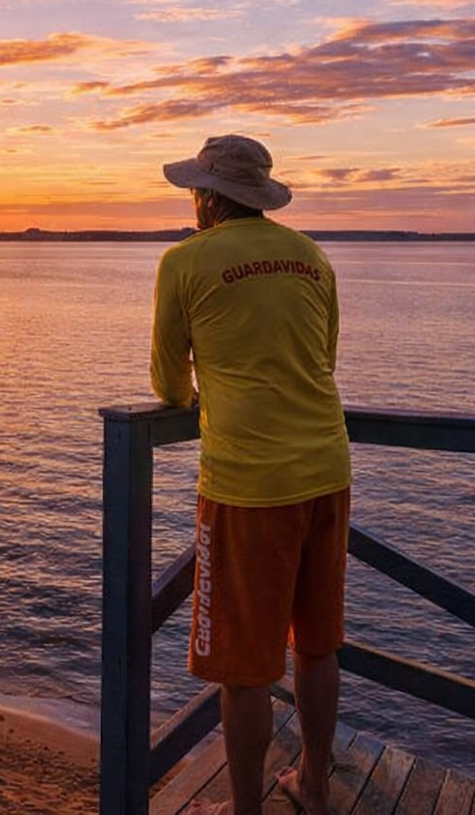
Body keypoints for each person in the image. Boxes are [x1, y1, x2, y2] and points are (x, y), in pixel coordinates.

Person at [150, 135, 351, 815]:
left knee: (243, 671)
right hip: (327, 466)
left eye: (194, 193)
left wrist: (202, 393)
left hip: (248, 484)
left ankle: (244, 811)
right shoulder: (311, 256)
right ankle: (315, 786)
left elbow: (169, 384)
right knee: (317, 646)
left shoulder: (185, 261)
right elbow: (323, 361)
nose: (192, 203)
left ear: (209, 198)